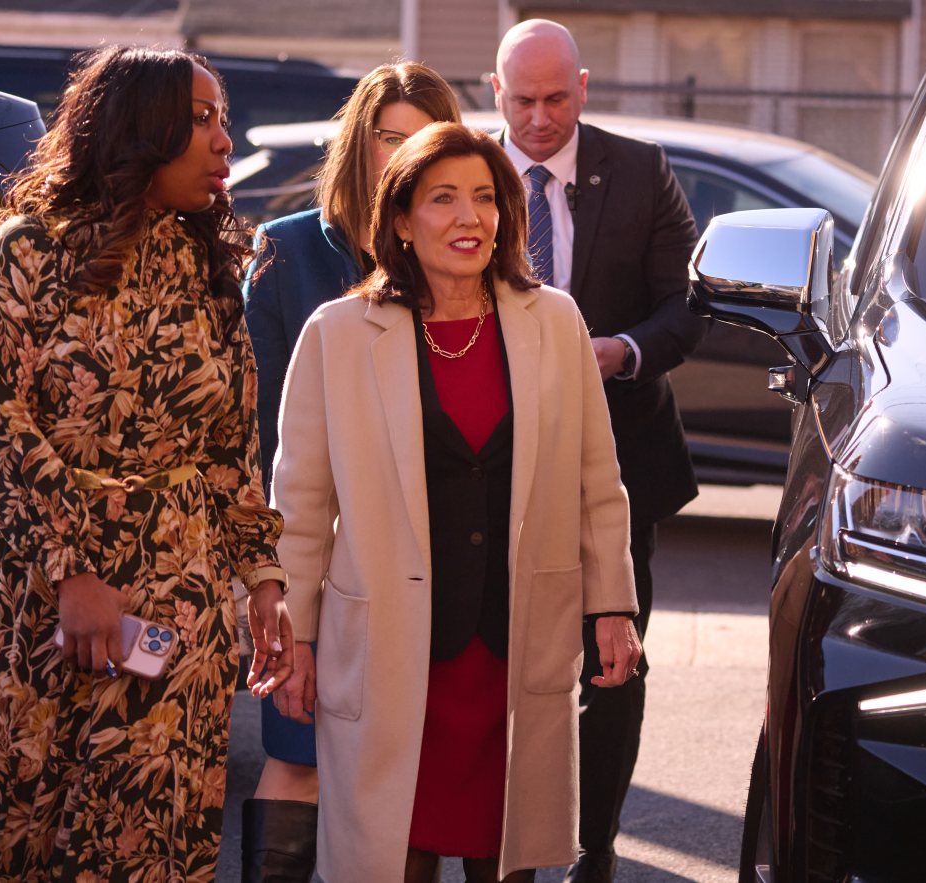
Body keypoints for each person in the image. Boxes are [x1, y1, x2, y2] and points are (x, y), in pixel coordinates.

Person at [0, 46, 292, 881]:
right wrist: (72, 572)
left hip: (180, 605)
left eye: (224, 121)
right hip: (31, 598)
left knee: (146, 838)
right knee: (14, 822)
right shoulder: (28, 252)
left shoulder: (206, 268)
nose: (225, 144)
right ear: (142, 130)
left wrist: (263, 578)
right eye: (201, 120)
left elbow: (229, 444)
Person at [270, 121, 641, 883]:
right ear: (400, 220)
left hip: (511, 646)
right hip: (391, 652)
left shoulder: (555, 322)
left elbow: (594, 480)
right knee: (394, 849)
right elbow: (300, 505)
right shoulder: (337, 335)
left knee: (504, 854)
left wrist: (613, 605)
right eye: (442, 198)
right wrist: (295, 637)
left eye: (484, 197)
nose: (468, 217)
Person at [491, 19, 709, 883]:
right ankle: (499, 839)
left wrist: (616, 351)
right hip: (490, 462)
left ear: (583, 87)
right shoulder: (463, 172)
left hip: (621, 458)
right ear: (494, 91)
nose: (539, 119)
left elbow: (685, 306)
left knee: (613, 659)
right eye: (522, 100)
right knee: (500, 662)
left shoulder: (642, 169)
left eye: (555, 98)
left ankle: (597, 844)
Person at [240, 61, 461, 882]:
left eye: (425, 142)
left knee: (414, 773)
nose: (406, 159)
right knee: (299, 757)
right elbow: (257, 435)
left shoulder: (461, 258)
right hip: (316, 561)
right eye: (390, 140)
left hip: (434, 568)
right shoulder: (290, 250)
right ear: (358, 148)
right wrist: (272, 579)